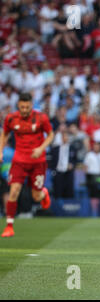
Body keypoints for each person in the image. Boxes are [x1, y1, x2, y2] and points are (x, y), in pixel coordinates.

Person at [0, 92, 54, 237]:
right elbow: (4, 134)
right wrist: (0, 151)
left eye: (27, 107)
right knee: (14, 191)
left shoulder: (41, 118)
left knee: (36, 196)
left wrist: (41, 148)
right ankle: (9, 226)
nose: (24, 110)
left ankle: (44, 194)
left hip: (38, 162)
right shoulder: (11, 118)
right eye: (22, 107)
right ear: (18, 105)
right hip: (19, 161)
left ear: (32, 105)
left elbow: (50, 135)